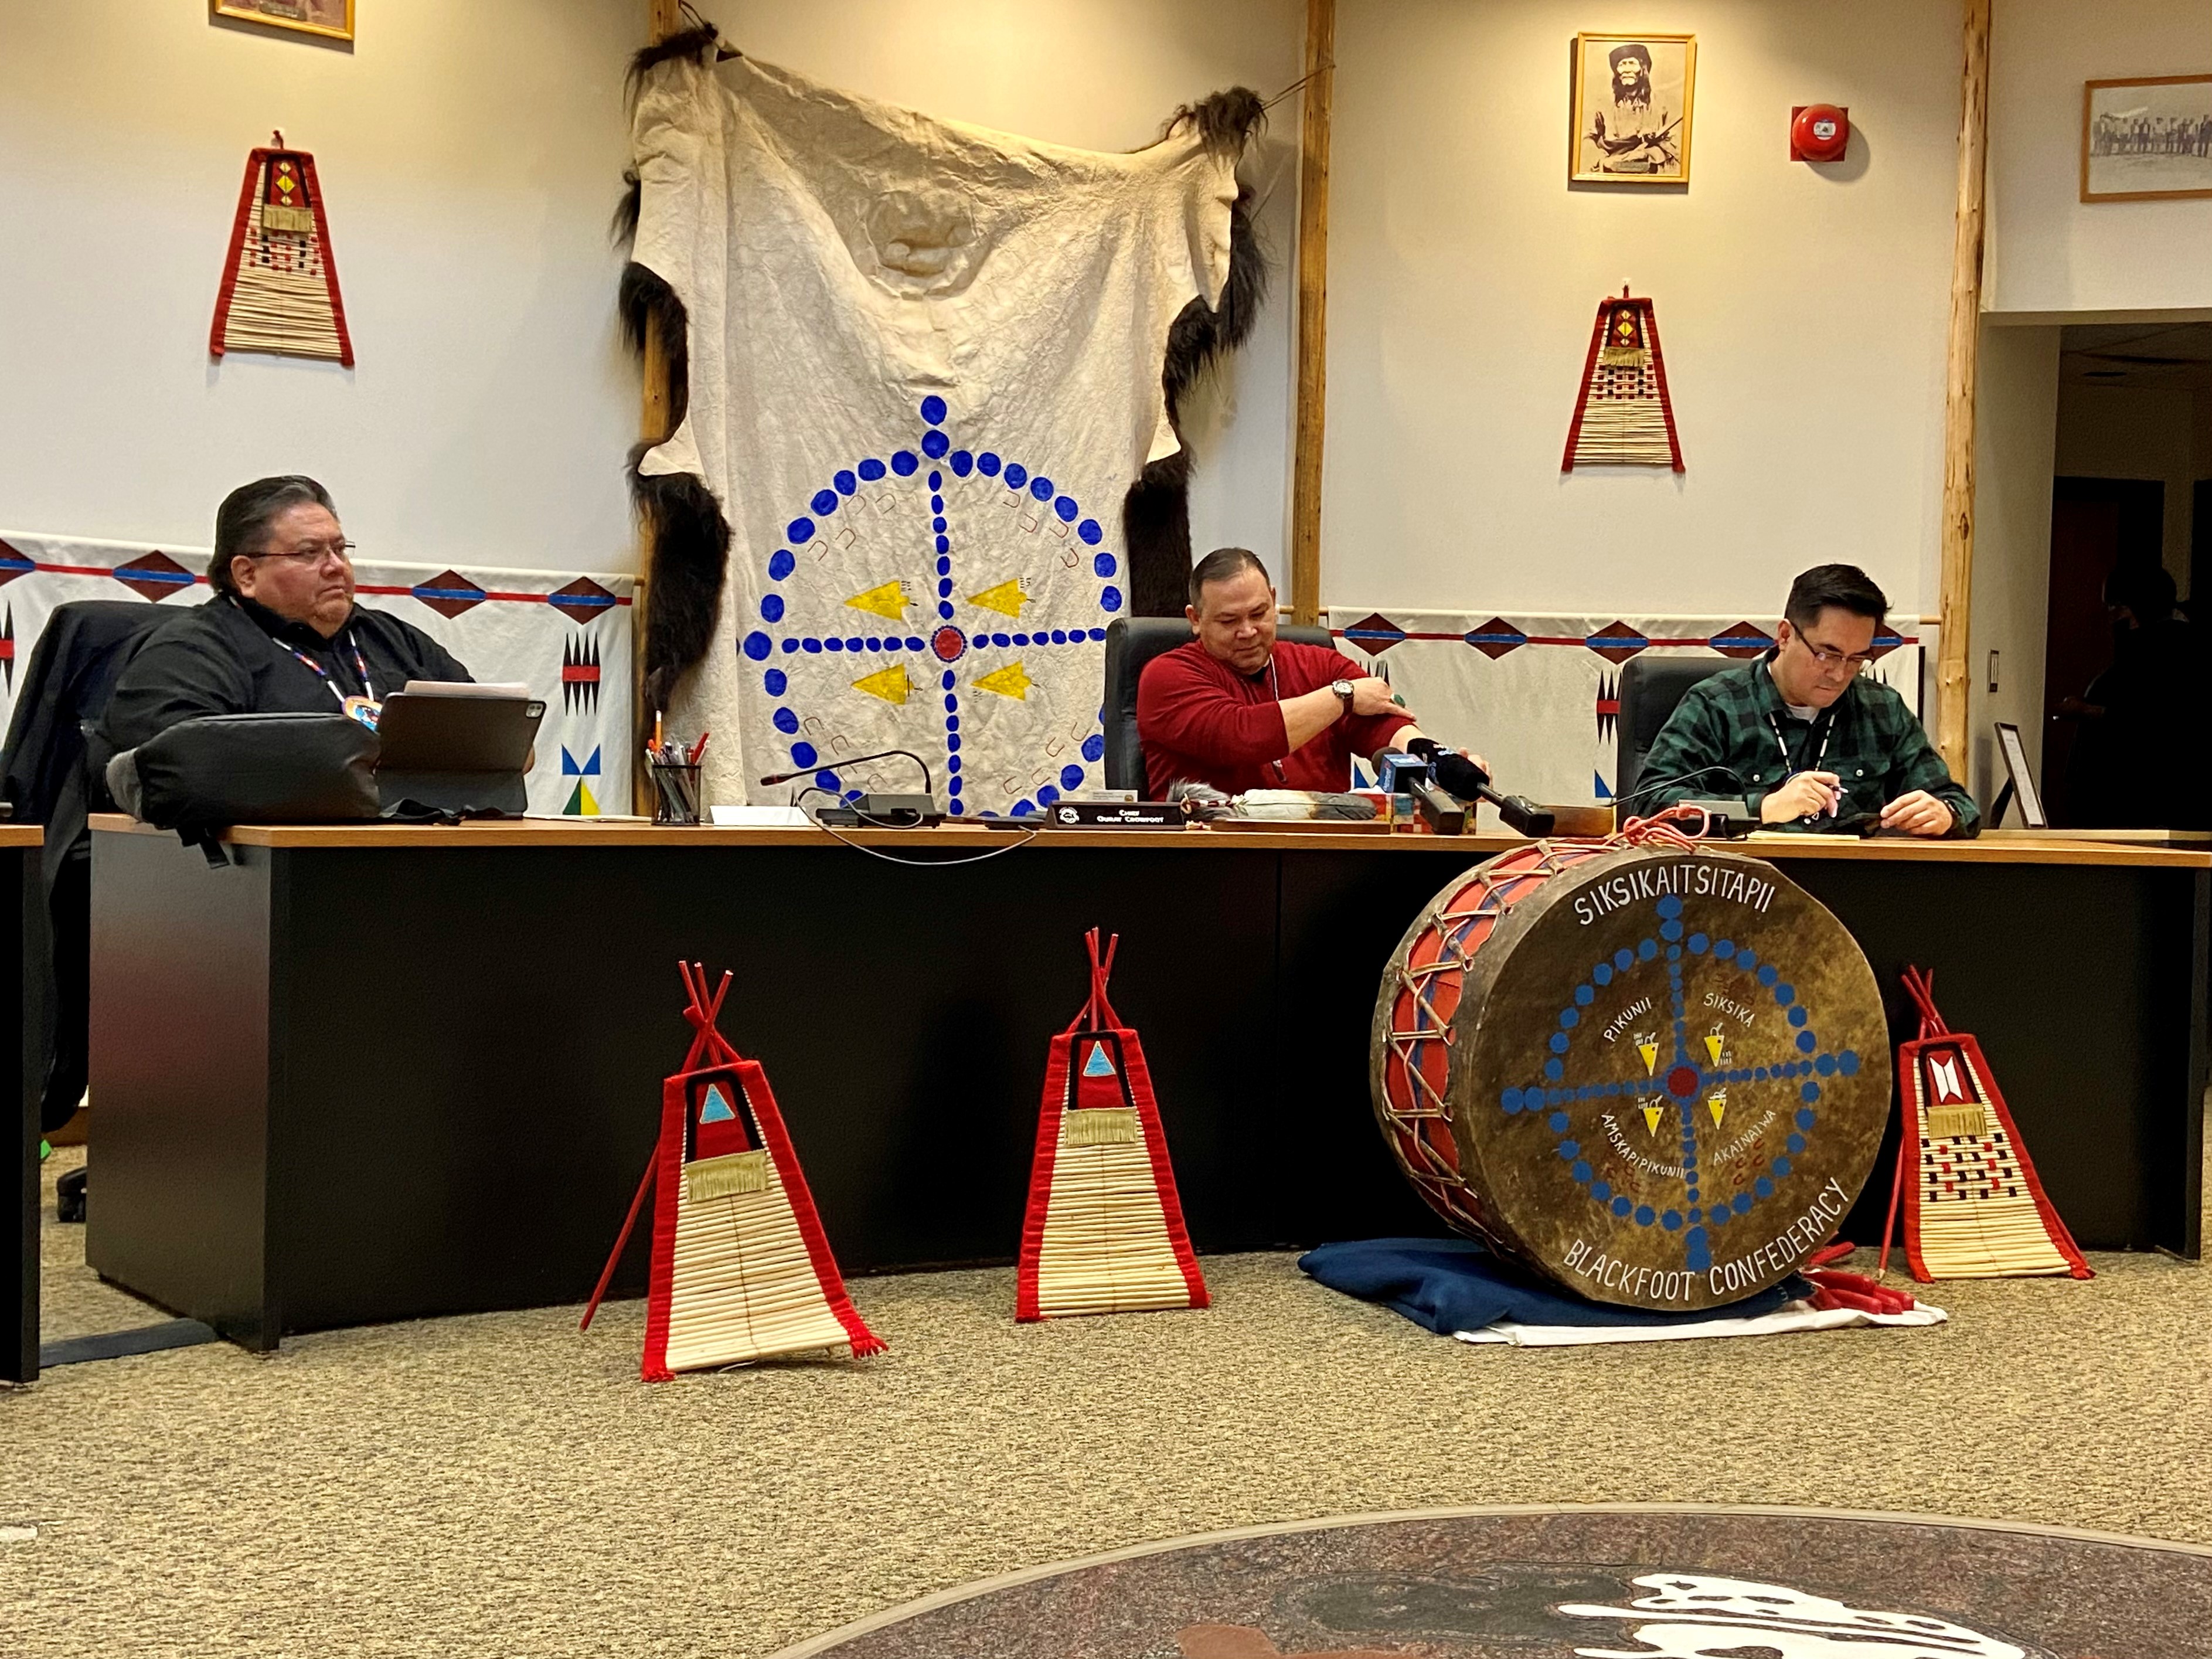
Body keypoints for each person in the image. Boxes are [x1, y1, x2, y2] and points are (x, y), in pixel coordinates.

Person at [102, 475, 472, 752]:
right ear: (247, 574)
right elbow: (181, 760)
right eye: (309, 553)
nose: (335, 566)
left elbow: (493, 740)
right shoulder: (190, 652)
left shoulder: (394, 640)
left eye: (339, 549)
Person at [1634, 563, 1976, 836]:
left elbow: (1960, 805)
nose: (1840, 674)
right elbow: (1650, 803)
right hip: (1741, 887)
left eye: (1857, 659)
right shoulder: (1716, 705)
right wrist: (1763, 808)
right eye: (1827, 654)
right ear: (1785, 636)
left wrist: (1944, 814)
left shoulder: (1882, 710)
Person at [1136, 546, 1483, 798]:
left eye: (1259, 614)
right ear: (1195, 619)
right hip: (1210, 857)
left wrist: (1439, 764)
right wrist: (1343, 696)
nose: (1248, 631)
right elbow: (1241, 736)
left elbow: (1384, 727)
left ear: (1273, 601)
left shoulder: (1322, 665)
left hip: (1322, 852)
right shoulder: (1165, 676)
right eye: (1229, 621)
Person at [2063, 563, 2207, 828]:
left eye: (2115, 607)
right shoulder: (2153, 650)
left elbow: (2150, 719)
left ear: (2133, 609)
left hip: (2140, 812)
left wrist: (2086, 710)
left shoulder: (2166, 654)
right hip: (2128, 813)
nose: (2111, 618)